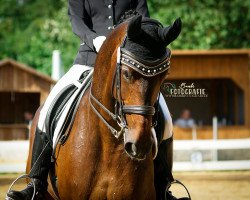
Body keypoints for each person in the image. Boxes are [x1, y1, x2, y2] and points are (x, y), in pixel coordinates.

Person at [6, 1, 175, 199]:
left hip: (129, 62)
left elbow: (143, 22)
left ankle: (164, 187)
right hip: (88, 60)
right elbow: (77, 21)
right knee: (48, 107)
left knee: (166, 116)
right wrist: (94, 39)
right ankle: (36, 182)